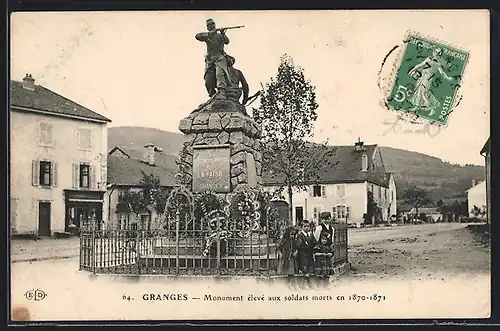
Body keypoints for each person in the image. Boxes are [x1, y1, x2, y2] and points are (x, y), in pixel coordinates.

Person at [407, 47, 455, 116]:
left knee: (424, 94)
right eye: (434, 51)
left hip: (428, 79)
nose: (434, 53)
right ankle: (417, 107)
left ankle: (431, 107)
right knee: (420, 92)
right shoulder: (429, 59)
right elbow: (421, 64)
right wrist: (412, 70)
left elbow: (442, 72)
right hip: (423, 77)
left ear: (438, 55)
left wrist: (447, 78)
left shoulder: (438, 63)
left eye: (436, 52)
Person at [195, 18, 233, 98]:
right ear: (207, 27)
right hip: (210, 59)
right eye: (209, 25)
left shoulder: (219, 36)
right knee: (208, 79)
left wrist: (223, 33)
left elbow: (227, 41)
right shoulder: (206, 36)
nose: (211, 26)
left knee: (220, 74)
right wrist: (210, 34)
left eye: (212, 24)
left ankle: (222, 92)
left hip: (220, 57)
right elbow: (197, 36)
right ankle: (212, 94)